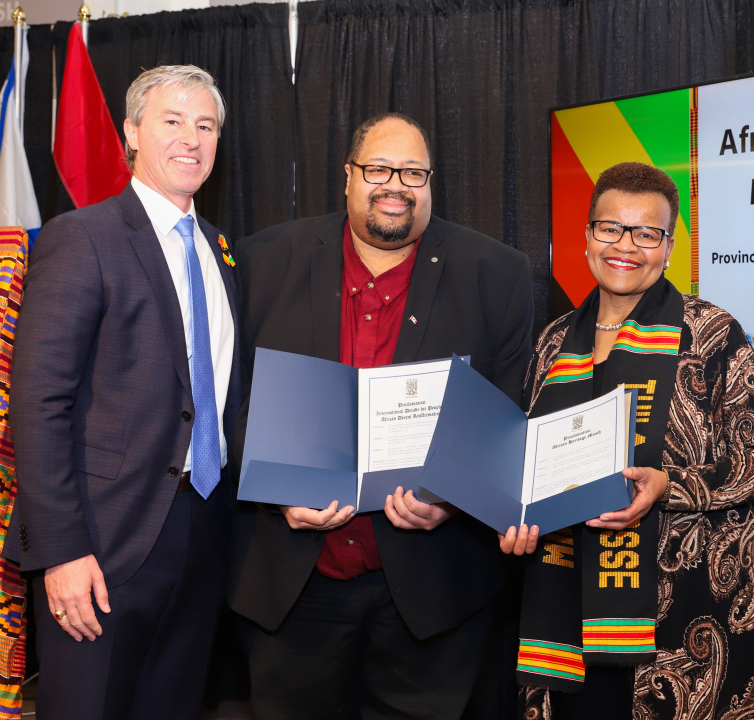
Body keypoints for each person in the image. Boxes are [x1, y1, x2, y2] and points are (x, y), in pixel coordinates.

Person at [228, 112, 534, 719]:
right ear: (347, 176)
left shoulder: (495, 274)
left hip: (432, 592)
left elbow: (510, 414)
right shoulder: (263, 261)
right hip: (293, 584)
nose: (396, 185)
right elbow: (226, 398)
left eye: (413, 172)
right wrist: (276, 488)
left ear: (430, 183)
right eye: (378, 169)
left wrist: (452, 498)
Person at [503, 162, 754, 719]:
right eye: (610, 228)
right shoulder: (553, 342)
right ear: (587, 236)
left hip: (682, 620)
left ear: (669, 244)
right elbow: (526, 462)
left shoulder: (709, 334)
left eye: (646, 233)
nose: (625, 246)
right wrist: (512, 516)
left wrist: (669, 484)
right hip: (567, 608)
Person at [4, 65, 241, 720]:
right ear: (132, 133)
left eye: (206, 125)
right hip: (103, 544)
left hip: (202, 530)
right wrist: (62, 552)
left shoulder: (222, 251)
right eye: (172, 121)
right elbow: (40, 402)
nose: (191, 139)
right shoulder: (83, 237)